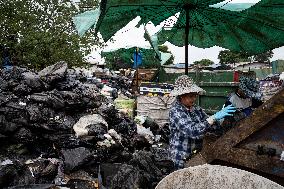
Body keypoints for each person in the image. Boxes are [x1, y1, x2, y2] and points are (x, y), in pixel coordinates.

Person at [168, 75, 236, 169]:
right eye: (190, 96)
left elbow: (210, 125)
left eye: (195, 95)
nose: (193, 99)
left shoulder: (196, 109)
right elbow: (192, 131)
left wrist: (220, 120)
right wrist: (213, 117)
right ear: (181, 96)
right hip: (181, 156)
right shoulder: (175, 111)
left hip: (196, 155)